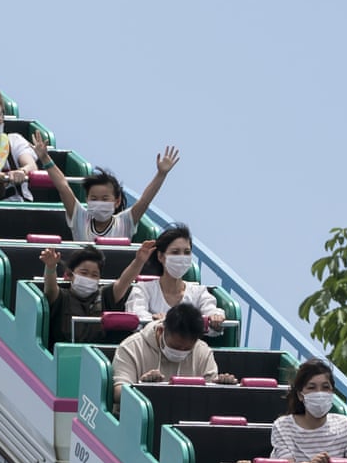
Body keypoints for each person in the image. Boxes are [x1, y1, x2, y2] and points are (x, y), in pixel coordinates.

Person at [31, 131, 178, 241]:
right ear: (87, 200)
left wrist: (161, 174)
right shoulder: (80, 217)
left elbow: (145, 200)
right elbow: (63, 187)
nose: (99, 202)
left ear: (117, 201)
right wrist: (45, 158)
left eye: (105, 198)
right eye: (94, 198)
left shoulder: (125, 221)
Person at [268, 359, 347, 463]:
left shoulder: (346, 425)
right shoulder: (283, 426)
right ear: (300, 395)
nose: (319, 393)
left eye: (325, 388)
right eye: (312, 388)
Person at [111, 303, 237, 402]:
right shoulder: (130, 347)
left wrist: (221, 387)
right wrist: (142, 387)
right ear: (161, 331)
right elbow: (117, 393)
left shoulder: (202, 351)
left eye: (187, 349)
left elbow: (209, 395)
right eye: (175, 346)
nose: (180, 352)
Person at [41, 241, 155, 345]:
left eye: (94, 275)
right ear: (70, 274)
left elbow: (124, 281)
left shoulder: (105, 296)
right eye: (84, 273)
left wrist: (139, 261)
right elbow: (50, 287)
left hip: (99, 355)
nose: (89, 277)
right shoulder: (61, 296)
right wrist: (50, 267)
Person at [125, 223, 226, 330]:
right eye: (175, 252)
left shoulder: (199, 292)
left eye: (187, 252)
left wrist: (215, 317)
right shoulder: (143, 289)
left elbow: (211, 310)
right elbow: (137, 314)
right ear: (160, 256)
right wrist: (156, 323)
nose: (182, 257)